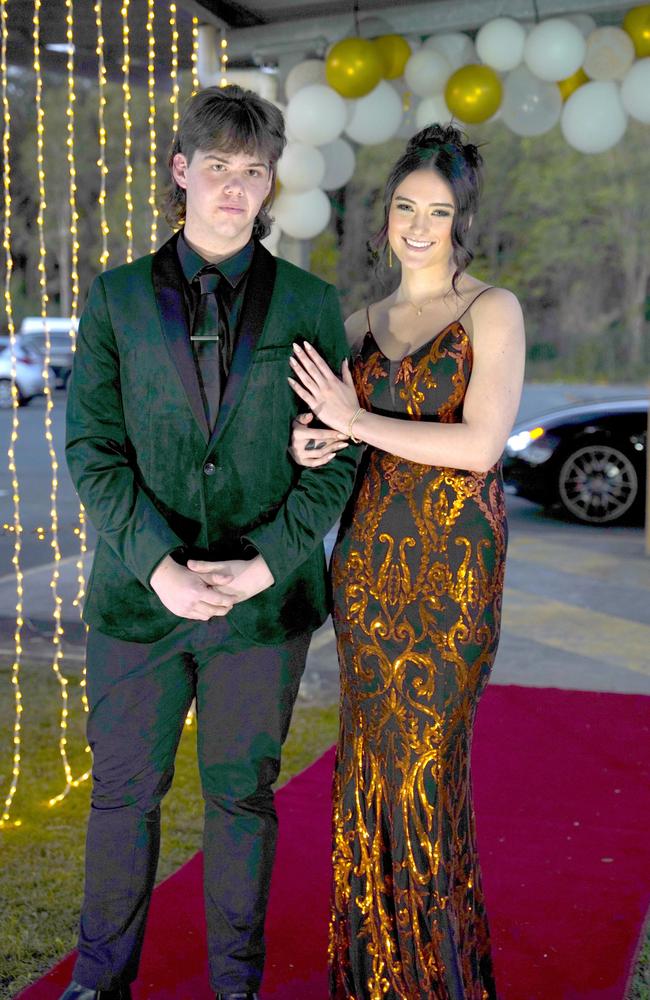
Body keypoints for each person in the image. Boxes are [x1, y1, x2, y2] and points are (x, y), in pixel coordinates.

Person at [61, 85, 357, 1000]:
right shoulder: (113, 300)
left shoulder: (309, 301)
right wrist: (159, 568)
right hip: (135, 604)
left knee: (240, 802)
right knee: (121, 801)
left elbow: (335, 460)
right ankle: (97, 982)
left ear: (270, 187)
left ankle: (237, 985)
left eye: (253, 171)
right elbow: (92, 450)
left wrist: (265, 562)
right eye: (217, 167)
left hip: (263, 608)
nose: (234, 187)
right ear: (182, 171)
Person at [288, 123, 525, 999]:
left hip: (455, 578)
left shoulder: (490, 310)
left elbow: (481, 446)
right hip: (367, 577)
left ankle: (438, 982)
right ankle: (371, 977)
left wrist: (351, 422)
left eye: (438, 211)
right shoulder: (357, 324)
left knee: (425, 774)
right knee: (366, 774)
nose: (418, 226)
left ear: (462, 219)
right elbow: (335, 443)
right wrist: (314, 443)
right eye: (403, 208)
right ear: (385, 216)